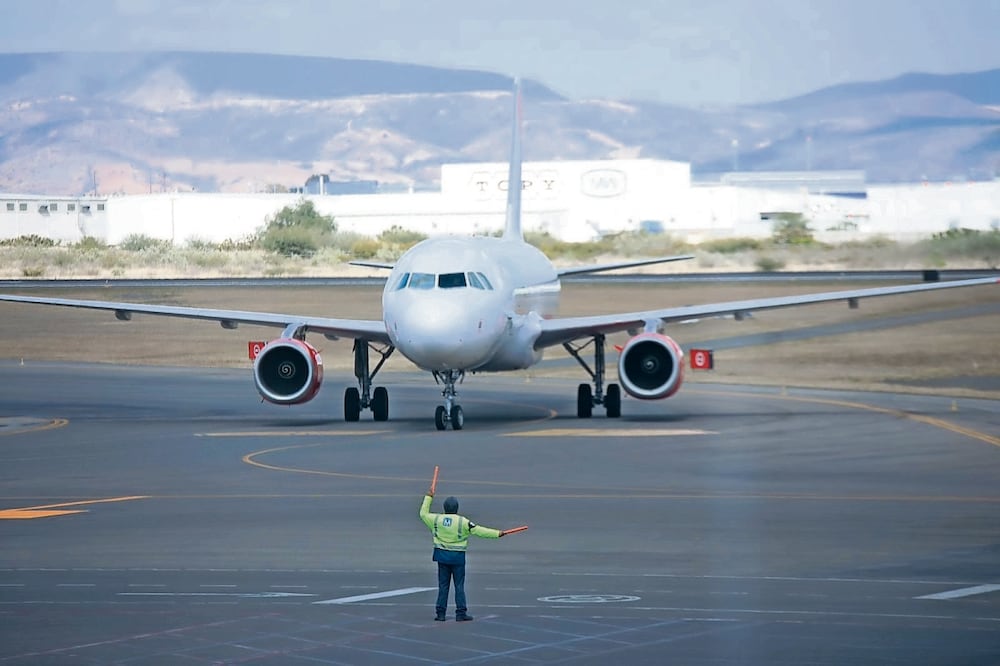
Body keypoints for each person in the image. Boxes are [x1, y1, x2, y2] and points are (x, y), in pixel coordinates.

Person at [419, 487, 502, 622]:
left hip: (442, 557)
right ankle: (460, 613)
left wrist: (428, 497)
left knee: (443, 586)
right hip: (457, 558)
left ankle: (441, 613)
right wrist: (497, 534)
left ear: (444, 508)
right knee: (459, 586)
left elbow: (423, 514)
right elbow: (480, 531)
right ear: (456, 508)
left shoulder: (436, 520)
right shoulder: (462, 522)